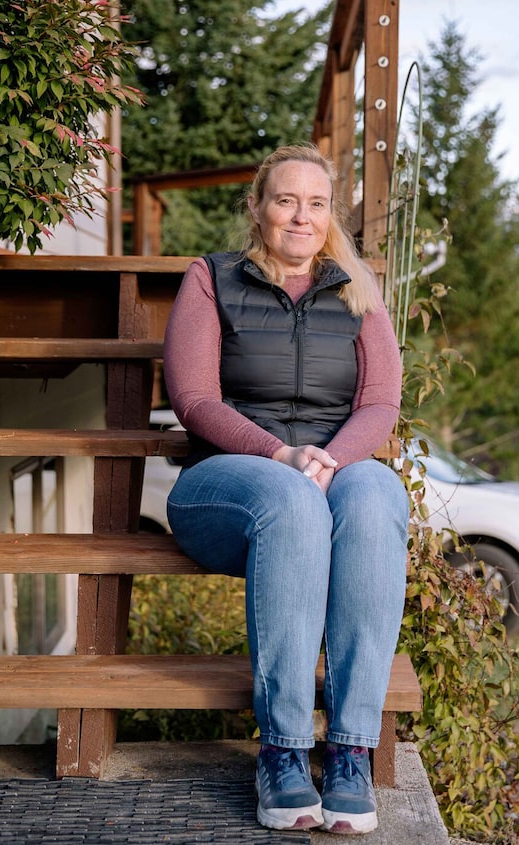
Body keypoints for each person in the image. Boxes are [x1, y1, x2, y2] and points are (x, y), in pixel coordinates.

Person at [161, 144, 409, 835]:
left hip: (326, 474)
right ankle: (284, 750)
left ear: (332, 216)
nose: (302, 216)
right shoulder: (212, 278)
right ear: (257, 208)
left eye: (317, 203)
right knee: (291, 497)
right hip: (227, 485)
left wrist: (329, 457)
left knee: (378, 494)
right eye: (286, 200)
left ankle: (353, 747)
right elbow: (193, 397)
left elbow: (381, 403)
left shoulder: (357, 289)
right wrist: (279, 452)